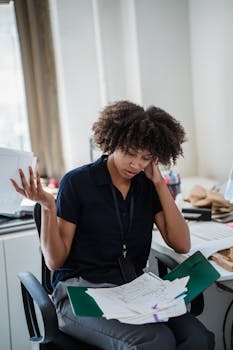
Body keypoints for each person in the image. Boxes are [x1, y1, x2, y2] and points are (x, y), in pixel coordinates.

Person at [11, 100, 215, 350]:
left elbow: (181, 243)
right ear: (113, 141)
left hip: (132, 291)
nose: (136, 164)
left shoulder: (146, 185)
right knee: (155, 341)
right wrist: (48, 206)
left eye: (146, 158)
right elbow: (55, 261)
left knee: (197, 337)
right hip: (80, 294)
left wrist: (159, 183)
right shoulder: (78, 183)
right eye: (130, 153)